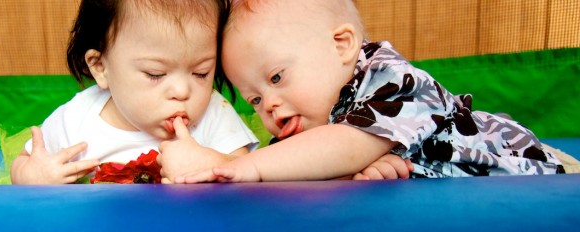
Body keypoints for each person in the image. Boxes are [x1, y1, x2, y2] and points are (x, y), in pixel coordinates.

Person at [174, 0, 565, 183]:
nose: (268, 104)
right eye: (254, 99)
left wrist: (245, 166)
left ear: (342, 44)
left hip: (523, 171)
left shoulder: (395, 82)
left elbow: (345, 145)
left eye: (276, 78)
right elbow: (311, 167)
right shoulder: (305, 126)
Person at [10, 0, 259, 184]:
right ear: (100, 67)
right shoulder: (76, 121)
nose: (183, 91)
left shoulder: (214, 113)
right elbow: (25, 162)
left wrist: (212, 164)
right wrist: (34, 175)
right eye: (155, 74)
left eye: (201, 73)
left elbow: (248, 171)